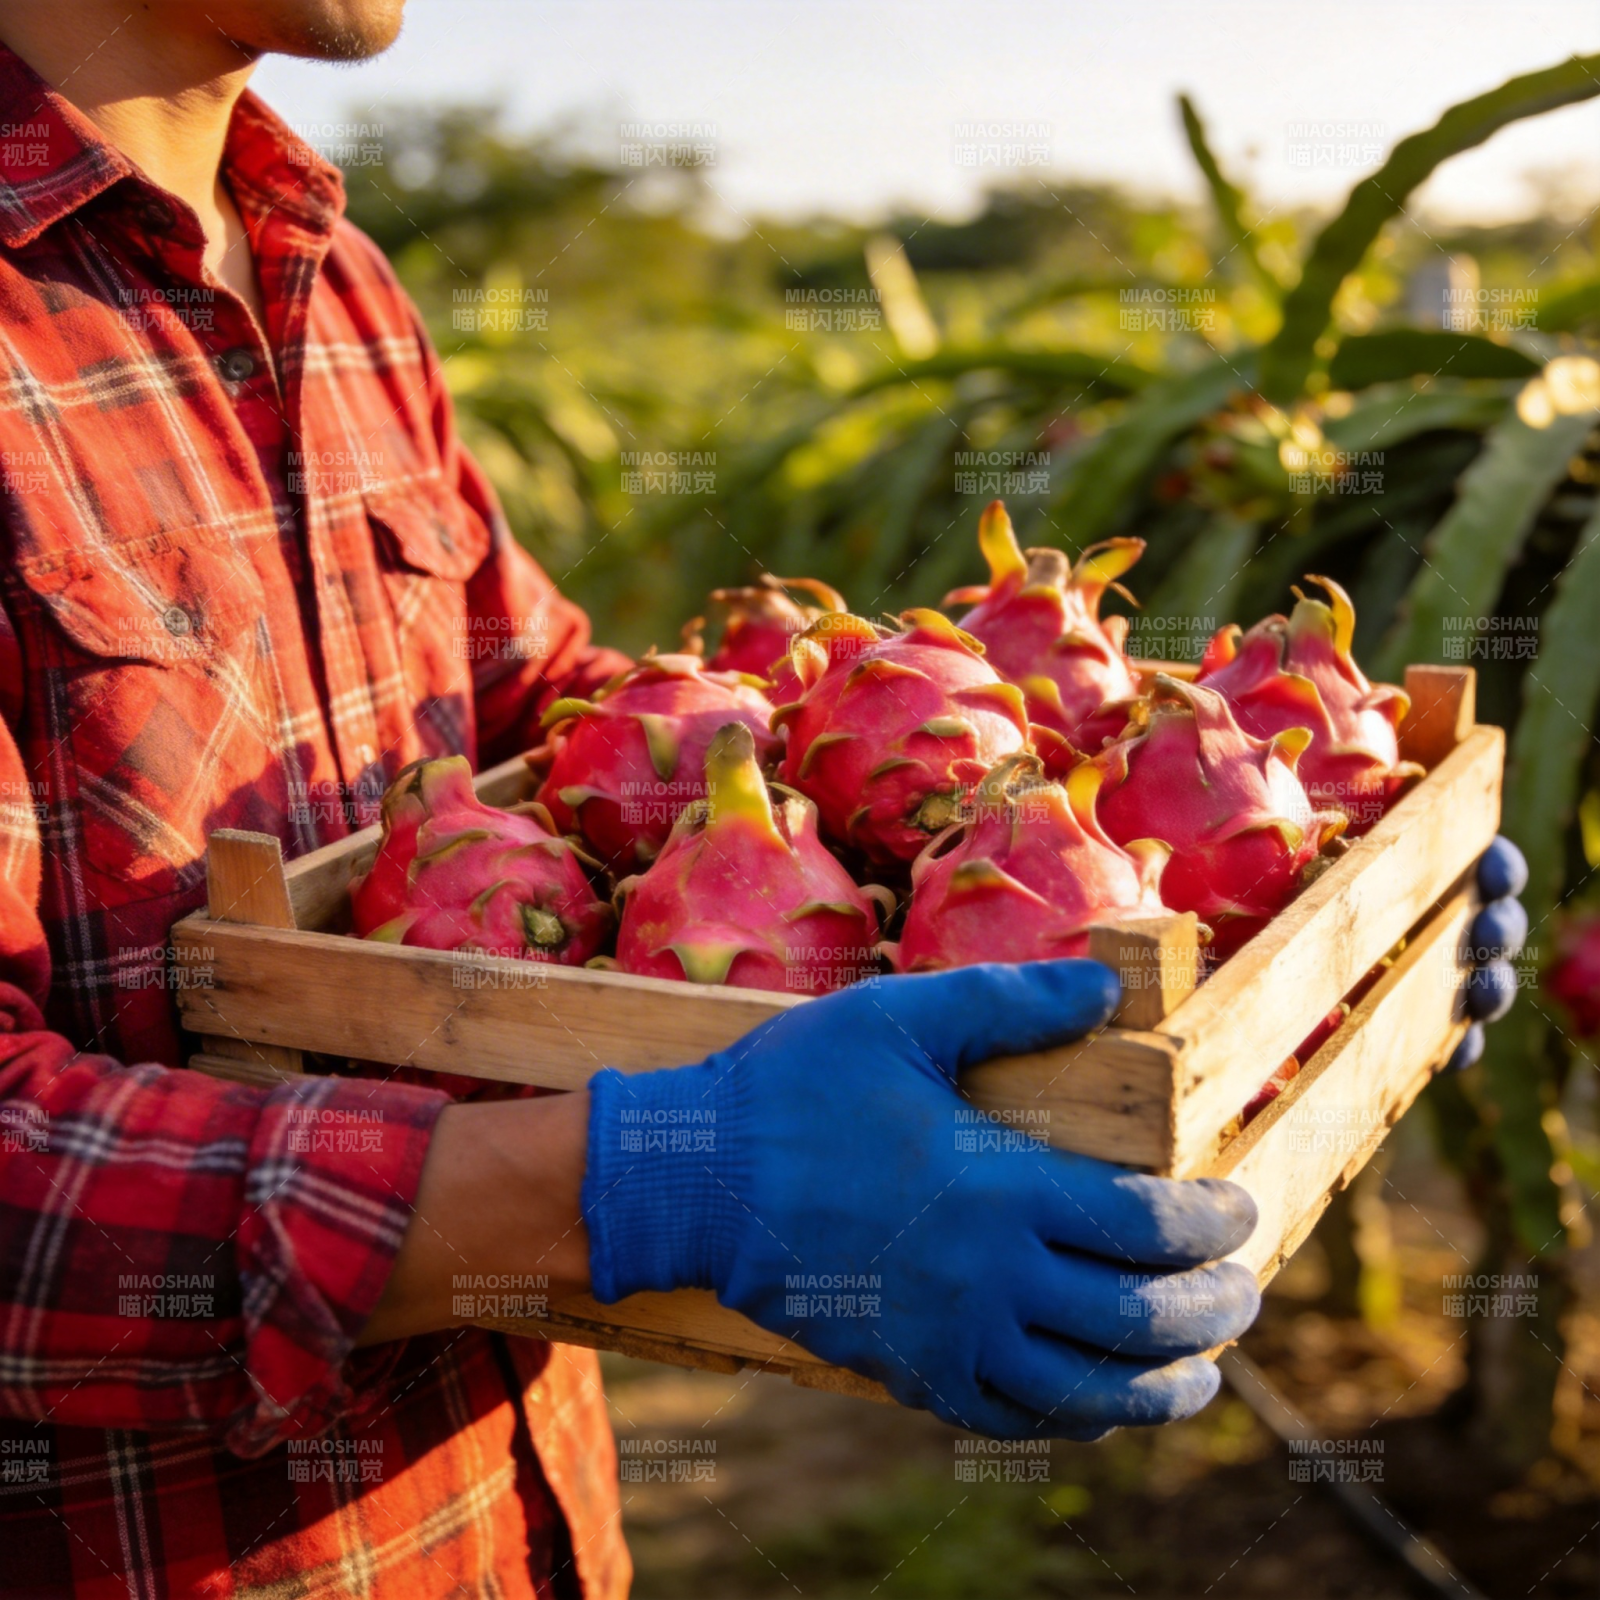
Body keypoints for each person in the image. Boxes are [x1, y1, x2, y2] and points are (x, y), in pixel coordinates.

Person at [0, 2, 1528, 1595]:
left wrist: (1330, 926)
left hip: (517, 1522)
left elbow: (571, 737)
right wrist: (665, 1180)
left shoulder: (341, 284)